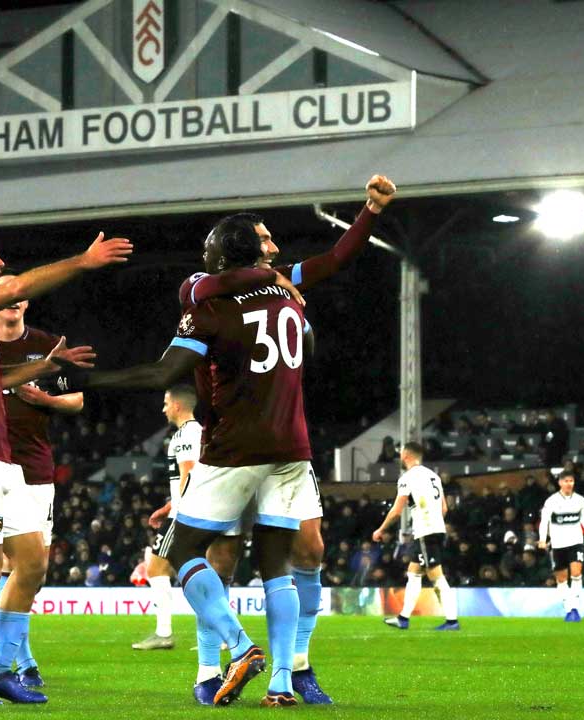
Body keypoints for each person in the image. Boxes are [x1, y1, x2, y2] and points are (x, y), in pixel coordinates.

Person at [48, 209, 361, 708]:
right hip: (292, 446)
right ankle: (281, 685)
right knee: (276, 564)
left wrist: (85, 380)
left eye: (209, 253)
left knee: (178, 550)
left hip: (235, 448)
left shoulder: (209, 307)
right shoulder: (289, 296)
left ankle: (239, 647)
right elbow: (312, 321)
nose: (202, 261)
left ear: (221, 258)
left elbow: (160, 373)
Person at [169, 174, 397, 705]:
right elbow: (201, 290)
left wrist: (370, 211)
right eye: (266, 239)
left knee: (309, 549)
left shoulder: (275, 282)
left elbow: (336, 259)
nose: (275, 247)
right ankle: (209, 669)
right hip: (227, 444)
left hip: (279, 442)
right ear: (240, 249)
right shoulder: (207, 292)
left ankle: (295, 668)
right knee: (220, 557)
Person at [0, 230, 131, 706]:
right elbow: (17, 288)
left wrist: (46, 366)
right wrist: (82, 260)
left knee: (34, 562)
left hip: (2, 464)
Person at [0, 280, 85, 688]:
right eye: (3, 295)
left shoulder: (47, 344)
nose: (12, 302)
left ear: (24, 300)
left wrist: (44, 401)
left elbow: (77, 399)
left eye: (17, 294)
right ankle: (16, 664)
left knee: (32, 570)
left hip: (36, 469)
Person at [132, 384, 203, 651]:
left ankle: (164, 634)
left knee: (156, 567)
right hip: (189, 510)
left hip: (186, 514)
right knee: (196, 574)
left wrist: (178, 511)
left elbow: (189, 475)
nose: (163, 409)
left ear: (177, 405)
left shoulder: (186, 435)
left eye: (165, 403)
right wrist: (167, 507)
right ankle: (219, 636)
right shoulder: (197, 433)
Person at [372, 442, 460, 631]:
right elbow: (444, 508)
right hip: (434, 529)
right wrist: (435, 522)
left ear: (405, 455)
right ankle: (403, 618)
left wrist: (381, 529)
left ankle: (452, 621)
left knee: (436, 576)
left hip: (425, 532)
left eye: (401, 454)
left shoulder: (408, 478)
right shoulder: (434, 476)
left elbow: (396, 511)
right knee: (413, 572)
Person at [538, 470, 584, 622]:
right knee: (562, 579)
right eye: (566, 481)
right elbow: (544, 521)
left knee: (576, 573)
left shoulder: (580, 500)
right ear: (560, 483)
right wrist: (543, 539)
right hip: (558, 545)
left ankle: (575, 608)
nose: (569, 484)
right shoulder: (551, 501)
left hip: (575, 542)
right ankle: (568, 609)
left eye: (571, 481)